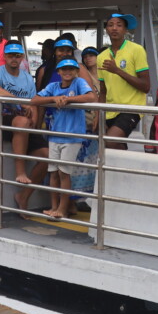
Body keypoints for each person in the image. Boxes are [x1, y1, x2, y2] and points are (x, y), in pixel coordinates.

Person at [31, 58, 97, 218]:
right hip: (55, 136)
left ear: (76, 71)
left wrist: (67, 100)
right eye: (64, 69)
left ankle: (62, 208)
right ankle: (54, 207)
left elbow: (91, 97)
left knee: (63, 173)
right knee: (53, 173)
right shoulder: (53, 86)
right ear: (58, 72)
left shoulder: (79, 82)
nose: (67, 72)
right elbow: (35, 100)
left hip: (72, 137)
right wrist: (53, 99)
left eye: (71, 69)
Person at [0, 41, 49, 210]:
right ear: (4, 56)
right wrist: (19, 102)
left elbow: (33, 102)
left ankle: (23, 196)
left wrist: (34, 119)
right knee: (22, 121)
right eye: (10, 55)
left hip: (22, 122)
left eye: (17, 55)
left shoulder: (27, 77)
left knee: (46, 156)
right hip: (0, 119)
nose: (14, 59)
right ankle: (20, 170)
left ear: (22, 57)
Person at [98, 13, 150, 151]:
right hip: (110, 110)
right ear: (106, 29)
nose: (114, 28)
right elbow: (103, 91)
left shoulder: (137, 50)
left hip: (131, 108)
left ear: (125, 30)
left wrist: (117, 70)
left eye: (119, 25)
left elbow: (146, 86)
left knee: (111, 141)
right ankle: (126, 162)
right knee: (109, 145)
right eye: (111, 25)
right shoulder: (101, 56)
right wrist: (99, 115)